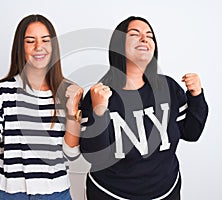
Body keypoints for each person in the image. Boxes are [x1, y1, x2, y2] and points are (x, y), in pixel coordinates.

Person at [79, 16, 208, 200]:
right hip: (110, 193)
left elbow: (192, 133)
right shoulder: (98, 95)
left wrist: (197, 97)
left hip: (166, 192)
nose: (144, 39)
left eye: (149, 35)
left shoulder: (169, 88)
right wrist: (99, 112)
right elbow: (94, 156)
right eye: (134, 34)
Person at [0, 14, 83, 200]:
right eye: (30, 41)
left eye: (45, 40)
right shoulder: (2, 92)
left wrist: (71, 112)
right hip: (9, 194)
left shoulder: (68, 92)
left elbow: (71, 153)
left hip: (56, 194)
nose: (39, 47)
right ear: (21, 47)